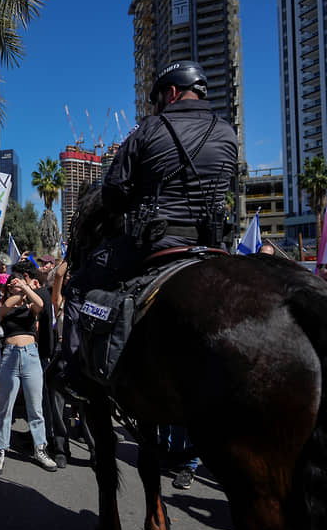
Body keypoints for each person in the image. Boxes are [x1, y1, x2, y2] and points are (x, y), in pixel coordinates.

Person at [60, 60, 239, 394]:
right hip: (214, 246)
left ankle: (77, 373)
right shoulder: (227, 131)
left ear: (171, 93)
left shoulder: (149, 129)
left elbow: (113, 195)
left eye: (156, 100)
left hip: (157, 245)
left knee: (77, 288)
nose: (154, 107)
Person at [0, 260, 57, 475]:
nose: (15, 285)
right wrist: (18, 290)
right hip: (10, 356)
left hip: (30, 356)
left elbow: (41, 304)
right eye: (11, 284)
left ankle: (40, 449)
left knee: (35, 408)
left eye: (17, 283)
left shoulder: (30, 307)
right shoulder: (5, 305)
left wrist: (26, 287)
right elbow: (3, 310)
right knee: (5, 407)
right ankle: (0, 450)